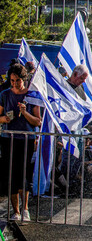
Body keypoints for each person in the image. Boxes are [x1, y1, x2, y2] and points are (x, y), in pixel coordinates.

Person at [0, 63, 42, 221]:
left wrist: (24, 113)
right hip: (8, 139)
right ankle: (15, 211)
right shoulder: (4, 94)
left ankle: (25, 209)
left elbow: (38, 121)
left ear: (24, 79)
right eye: (12, 80)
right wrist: (5, 119)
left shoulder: (32, 95)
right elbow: (0, 116)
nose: (15, 84)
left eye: (17, 80)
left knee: (24, 174)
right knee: (11, 175)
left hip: (26, 139)